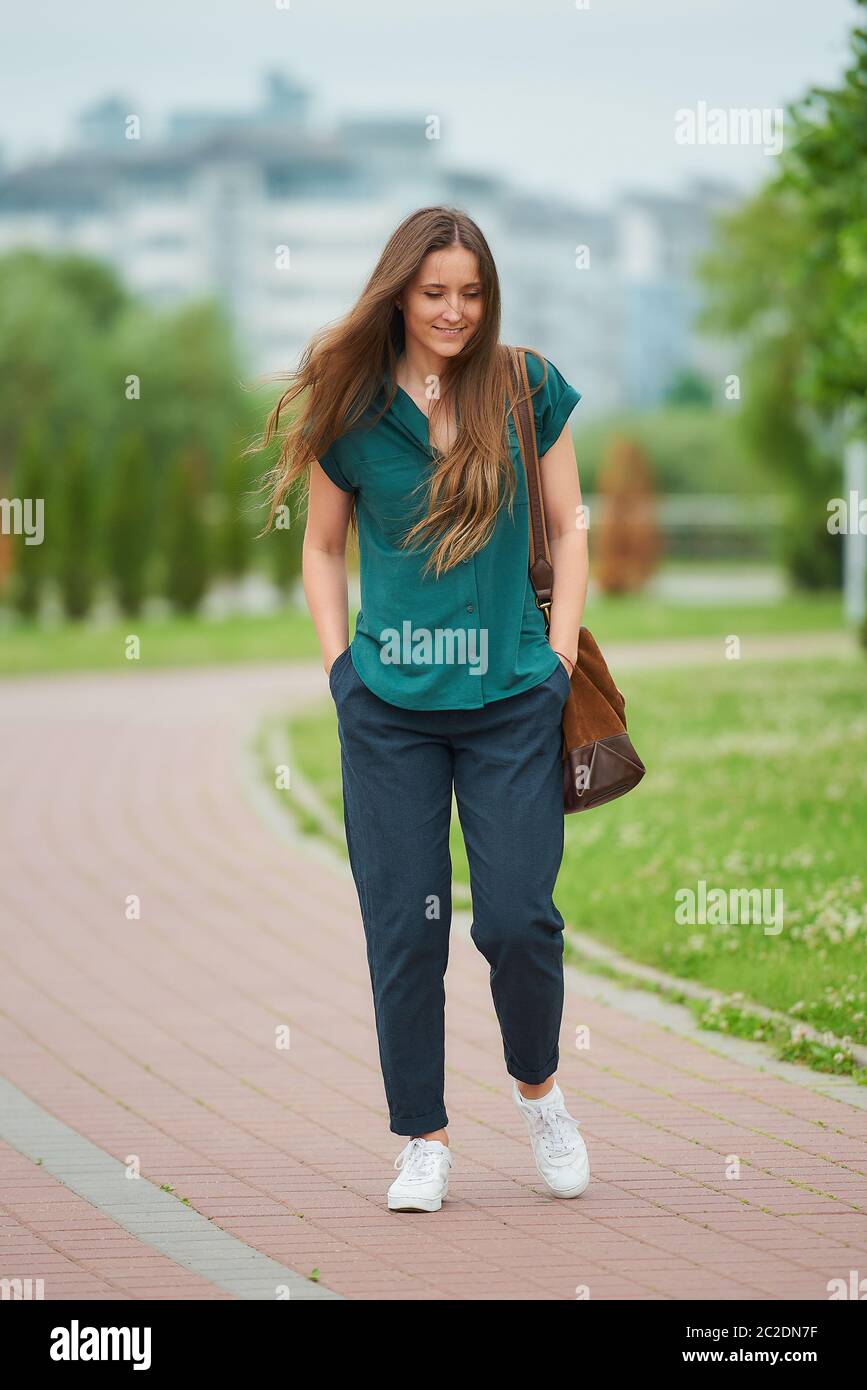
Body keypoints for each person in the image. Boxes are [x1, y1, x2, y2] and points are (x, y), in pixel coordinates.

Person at [254, 206, 590, 1211]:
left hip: (511, 701)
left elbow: (570, 529)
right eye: (435, 291)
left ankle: (539, 1091)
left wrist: (560, 658)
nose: (454, 310)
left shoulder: (527, 388)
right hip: (389, 708)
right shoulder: (351, 407)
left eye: (471, 292)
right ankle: (423, 1140)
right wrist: (338, 672)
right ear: (400, 291)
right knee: (405, 927)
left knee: (521, 919)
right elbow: (320, 548)